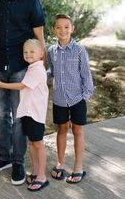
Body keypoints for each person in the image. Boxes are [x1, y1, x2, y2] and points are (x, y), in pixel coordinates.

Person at [0, 0, 46, 186]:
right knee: (2, 115)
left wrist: (43, 64)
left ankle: (18, 162)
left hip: (22, 68)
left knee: (20, 117)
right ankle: (4, 157)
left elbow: (39, 37)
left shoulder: (31, 2)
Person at [0, 39, 49, 192]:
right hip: (27, 113)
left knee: (38, 144)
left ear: (41, 54)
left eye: (32, 51)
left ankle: (42, 176)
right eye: (25, 52)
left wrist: (0, 84)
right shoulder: (31, 68)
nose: (28, 54)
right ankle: (36, 172)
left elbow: (21, 86)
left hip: (35, 114)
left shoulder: (37, 69)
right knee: (31, 143)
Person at [47, 14, 94, 184]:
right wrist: (37, 78)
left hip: (77, 98)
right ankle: (60, 163)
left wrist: (86, 95)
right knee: (61, 130)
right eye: (58, 27)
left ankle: (78, 167)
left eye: (66, 26)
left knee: (77, 131)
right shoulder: (51, 51)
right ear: (53, 30)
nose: (63, 30)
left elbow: (86, 75)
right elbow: (51, 72)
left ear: (72, 28)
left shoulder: (80, 50)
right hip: (59, 98)